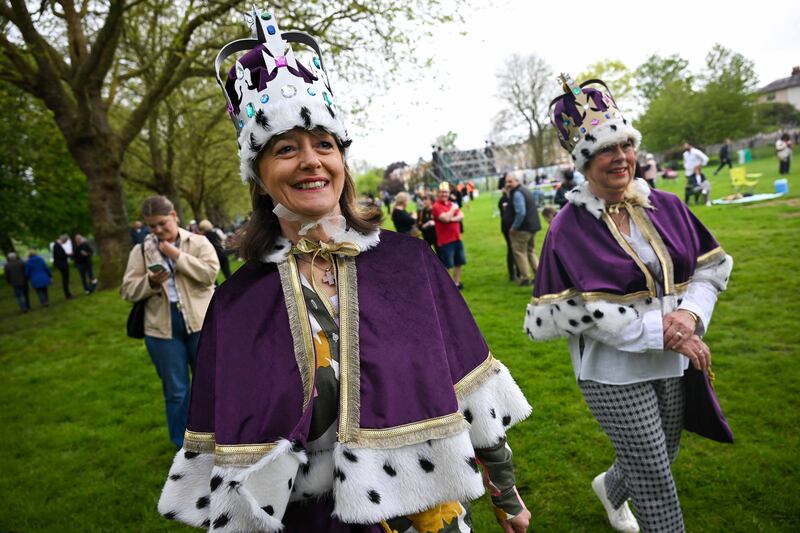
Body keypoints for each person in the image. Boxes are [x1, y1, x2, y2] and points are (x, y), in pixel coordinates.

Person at [154, 9, 532, 532]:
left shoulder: (409, 263)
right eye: (286, 149)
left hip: (428, 513)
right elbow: (231, 455)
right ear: (260, 177)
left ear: (342, 161)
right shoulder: (237, 305)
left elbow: (472, 394)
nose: (311, 161)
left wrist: (507, 493)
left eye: (324, 145)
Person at [525, 74, 734, 533]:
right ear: (583, 162)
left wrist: (689, 314)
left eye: (625, 146)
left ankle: (611, 486)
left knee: (663, 453)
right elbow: (587, 315)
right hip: (610, 372)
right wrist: (670, 331)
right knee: (656, 477)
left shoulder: (668, 205)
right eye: (604, 150)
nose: (619, 158)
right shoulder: (568, 228)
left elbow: (711, 268)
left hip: (670, 358)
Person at [121, 196, 219, 449]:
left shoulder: (198, 242)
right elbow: (128, 291)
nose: (157, 230)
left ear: (174, 216)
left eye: (162, 223)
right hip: (162, 328)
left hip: (201, 323)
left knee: (209, 383)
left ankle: (218, 436)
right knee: (176, 391)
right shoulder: (140, 251)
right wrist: (151, 282)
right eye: (151, 226)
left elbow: (210, 275)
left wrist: (177, 256)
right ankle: (183, 446)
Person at [505, 174, 541, 287]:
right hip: (532, 226)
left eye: (510, 181)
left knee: (520, 253)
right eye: (507, 182)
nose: (508, 184)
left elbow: (521, 212)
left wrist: (514, 227)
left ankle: (525, 278)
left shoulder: (517, 193)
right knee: (531, 251)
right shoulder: (525, 190)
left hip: (522, 229)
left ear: (517, 181)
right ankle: (539, 275)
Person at [432, 181, 467, 289]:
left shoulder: (451, 204)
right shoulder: (436, 206)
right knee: (447, 265)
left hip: (457, 238)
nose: (444, 194)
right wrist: (452, 211)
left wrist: (451, 218)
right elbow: (445, 218)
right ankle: (448, 286)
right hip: (445, 241)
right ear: (438, 193)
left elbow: (461, 215)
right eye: (442, 192)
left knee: (458, 262)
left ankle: (456, 283)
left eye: (446, 192)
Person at [498, 180, 519, 282]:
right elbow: (506, 214)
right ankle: (512, 274)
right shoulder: (503, 199)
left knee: (516, 250)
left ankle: (519, 271)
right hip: (507, 228)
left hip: (513, 227)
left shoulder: (513, 198)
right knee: (511, 249)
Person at [52, 234, 74, 300]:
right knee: (65, 280)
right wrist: (69, 255)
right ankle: (68, 295)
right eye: (65, 241)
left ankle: (68, 294)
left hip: (62, 264)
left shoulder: (57, 245)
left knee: (66, 280)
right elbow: (61, 256)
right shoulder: (57, 245)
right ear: (63, 240)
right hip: (62, 265)